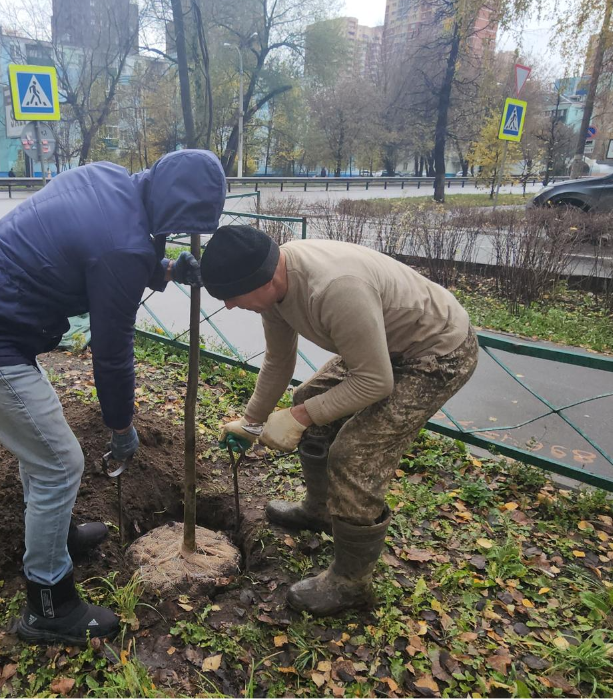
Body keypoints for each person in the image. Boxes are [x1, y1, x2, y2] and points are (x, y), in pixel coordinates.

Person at [0, 150, 226, 644]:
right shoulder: (122, 249)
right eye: (187, 223)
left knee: (42, 448)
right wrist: (121, 425)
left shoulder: (109, 179)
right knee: (60, 464)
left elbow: (105, 248)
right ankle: (48, 605)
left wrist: (166, 268)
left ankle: (56, 541)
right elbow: (112, 351)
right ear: (175, 210)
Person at [202, 226, 478, 616]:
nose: (229, 305)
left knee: (355, 454)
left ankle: (351, 584)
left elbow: (374, 381)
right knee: (309, 398)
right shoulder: (273, 292)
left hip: (436, 349)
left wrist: (298, 418)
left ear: (260, 279)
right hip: (384, 344)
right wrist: (251, 422)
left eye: (231, 295)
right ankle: (320, 510)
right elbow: (279, 361)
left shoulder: (334, 288)